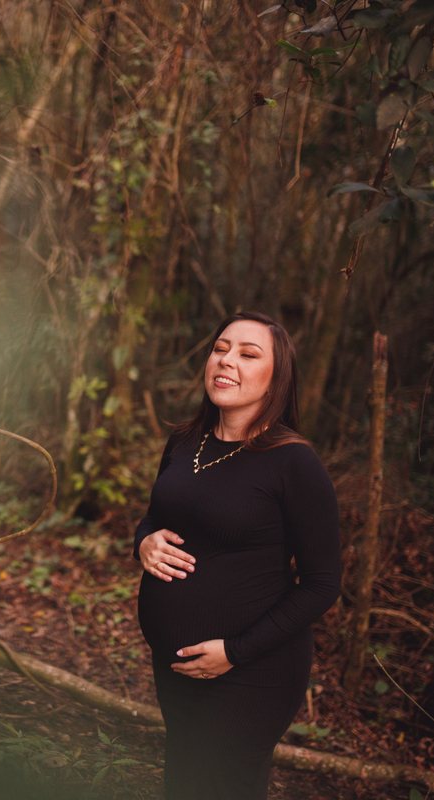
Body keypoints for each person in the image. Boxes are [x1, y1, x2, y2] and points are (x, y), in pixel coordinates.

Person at [133, 311, 342, 800]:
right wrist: (143, 541)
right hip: (176, 666)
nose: (227, 361)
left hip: (252, 674)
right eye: (221, 348)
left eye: (249, 354)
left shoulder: (295, 463)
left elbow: (322, 583)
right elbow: (155, 517)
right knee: (184, 784)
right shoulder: (186, 442)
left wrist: (234, 652)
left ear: (277, 378)